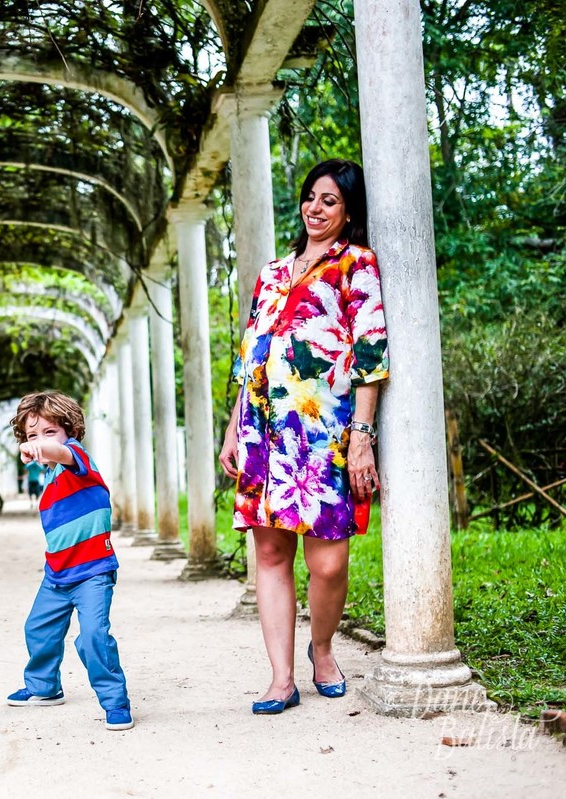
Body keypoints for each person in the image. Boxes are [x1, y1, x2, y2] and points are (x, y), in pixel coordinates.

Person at [218, 159, 389, 715]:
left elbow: (370, 355)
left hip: (323, 434)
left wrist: (362, 434)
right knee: (269, 552)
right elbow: (252, 358)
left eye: (330, 201)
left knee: (328, 562)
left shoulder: (356, 265)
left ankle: (322, 648)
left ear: (349, 211)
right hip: (262, 431)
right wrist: (233, 429)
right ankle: (280, 679)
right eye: (310, 198)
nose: (315, 209)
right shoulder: (271, 273)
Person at [4, 391, 133, 731]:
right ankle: (44, 687)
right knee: (38, 628)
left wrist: (41, 448)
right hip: (58, 574)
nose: (40, 441)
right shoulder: (49, 479)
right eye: (32, 435)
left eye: (49, 431)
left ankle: (115, 702)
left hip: (93, 572)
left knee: (93, 636)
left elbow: (61, 453)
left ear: (69, 430)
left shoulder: (76, 459)